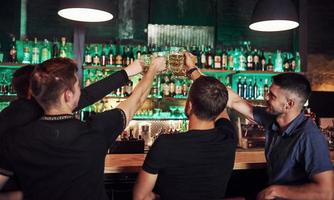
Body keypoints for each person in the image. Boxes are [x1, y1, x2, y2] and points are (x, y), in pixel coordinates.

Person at [0, 57, 166, 200]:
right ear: (68, 95)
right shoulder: (96, 130)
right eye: (78, 86)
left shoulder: (14, 139)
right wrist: (152, 71)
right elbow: (135, 102)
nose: (81, 91)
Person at [183, 53, 334, 200]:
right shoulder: (273, 118)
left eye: (272, 96)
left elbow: (326, 193)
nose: (265, 97)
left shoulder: (309, 137)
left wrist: (275, 191)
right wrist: (192, 71)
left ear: (289, 104)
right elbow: (229, 98)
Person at [133, 53, 237, 200]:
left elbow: (140, 197)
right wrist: (193, 69)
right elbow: (220, 106)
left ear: (189, 106)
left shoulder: (165, 144)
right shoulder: (228, 137)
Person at [0, 60, 142, 137]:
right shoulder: (35, 109)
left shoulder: (9, 114)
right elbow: (88, 95)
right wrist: (127, 73)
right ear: (33, 89)